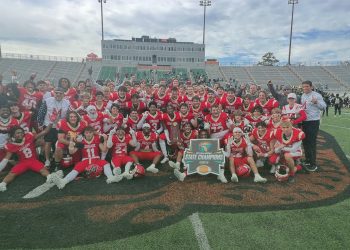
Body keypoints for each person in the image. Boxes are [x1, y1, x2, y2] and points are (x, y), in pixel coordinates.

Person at [51, 126, 122, 189]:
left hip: (96, 159)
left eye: (90, 132)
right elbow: (72, 152)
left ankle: (111, 177)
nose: (88, 134)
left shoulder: (97, 139)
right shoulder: (81, 142)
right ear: (84, 133)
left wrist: (105, 140)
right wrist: (71, 144)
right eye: (87, 133)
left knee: (106, 163)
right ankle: (63, 181)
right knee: (76, 168)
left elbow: (104, 150)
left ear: (93, 133)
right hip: (85, 160)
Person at [0, 126, 58, 191]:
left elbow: (44, 132)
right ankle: (3, 184)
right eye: (18, 133)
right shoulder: (11, 145)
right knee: (12, 173)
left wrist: (51, 123)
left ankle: (49, 177)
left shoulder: (28, 136)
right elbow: (6, 159)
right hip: (22, 163)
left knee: (43, 170)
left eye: (21, 132)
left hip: (33, 160)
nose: (20, 134)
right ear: (13, 135)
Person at [300, 80, 326, 172]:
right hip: (305, 121)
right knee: (305, 141)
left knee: (311, 142)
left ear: (311, 87)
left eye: (307, 86)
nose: (305, 88)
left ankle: (313, 163)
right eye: (303, 87)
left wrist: (316, 103)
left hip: (313, 121)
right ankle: (308, 160)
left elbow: (323, 106)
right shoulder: (303, 95)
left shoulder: (317, 95)